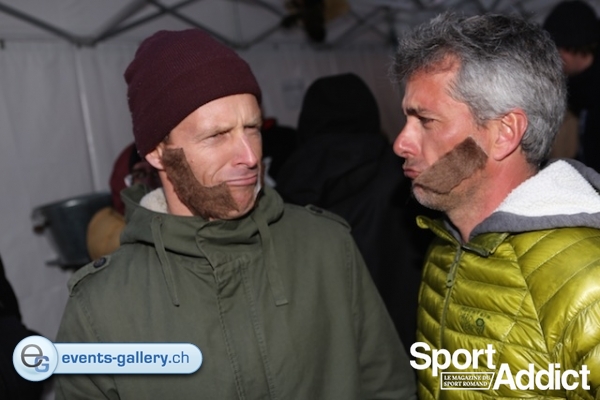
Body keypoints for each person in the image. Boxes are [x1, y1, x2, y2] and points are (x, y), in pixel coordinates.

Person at [55, 29, 416, 399]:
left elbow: (389, 388)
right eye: (217, 135)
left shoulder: (326, 247)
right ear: (156, 152)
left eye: (252, 128)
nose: (249, 156)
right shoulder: (100, 307)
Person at [391, 12, 600, 399]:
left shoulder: (589, 280)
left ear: (504, 133)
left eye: (426, 120)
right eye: (407, 118)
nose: (401, 143)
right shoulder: (444, 248)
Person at [276, 72, 435, 350]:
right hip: (405, 337)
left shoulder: (285, 189)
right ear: (370, 113)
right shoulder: (403, 178)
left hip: (330, 346)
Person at [543, 1, 600, 168]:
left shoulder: (589, 94)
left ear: (568, 49)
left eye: (554, 50)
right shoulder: (579, 94)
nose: (552, 60)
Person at [86, 142, 159, 260]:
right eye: (140, 174)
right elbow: (117, 247)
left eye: (156, 174)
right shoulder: (105, 220)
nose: (148, 181)